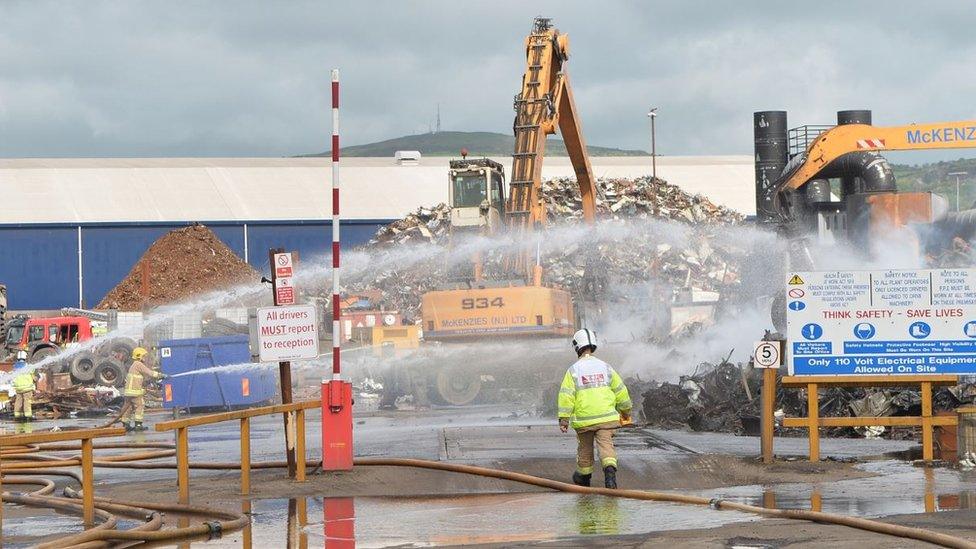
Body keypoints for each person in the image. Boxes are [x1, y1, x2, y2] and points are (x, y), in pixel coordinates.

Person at [557, 329, 632, 489]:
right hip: (606, 419)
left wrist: (564, 419)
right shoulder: (606, 367)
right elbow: (621, 391)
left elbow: (566, 396)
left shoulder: (573, 370)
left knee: (585, 449)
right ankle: (610, 477)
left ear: (577, 346)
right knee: (606, 445)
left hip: (584, 421)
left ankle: (583, 479)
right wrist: (626, 411)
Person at [121, 347, 167, 432]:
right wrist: (161, 375)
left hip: (128, 392)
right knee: (140, 405)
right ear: (139, 356)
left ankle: (125, 424)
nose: (145, 358)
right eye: (143, 356)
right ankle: (138, 425)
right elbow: (150, 372)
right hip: (134, 392)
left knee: (129, 407)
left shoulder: (134, 365)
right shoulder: (138, 364)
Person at [12, 350, 38, 422]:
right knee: (27, 401)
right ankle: (28, 416)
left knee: (18, 401)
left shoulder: (15, 366)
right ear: (25, 357)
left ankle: (17, 415)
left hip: (18, 388)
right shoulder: (28, 366)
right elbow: (34, 377)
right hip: (27, 388)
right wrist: (36, 379)